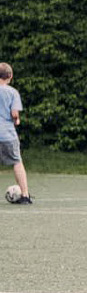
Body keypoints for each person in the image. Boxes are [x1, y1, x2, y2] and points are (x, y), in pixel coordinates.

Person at [0, 63, 28, 205]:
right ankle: (24, 195)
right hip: (7, 134)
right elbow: (14, 114)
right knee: (17, 162)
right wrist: (16, 120)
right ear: (10, 76)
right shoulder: (13, 92)